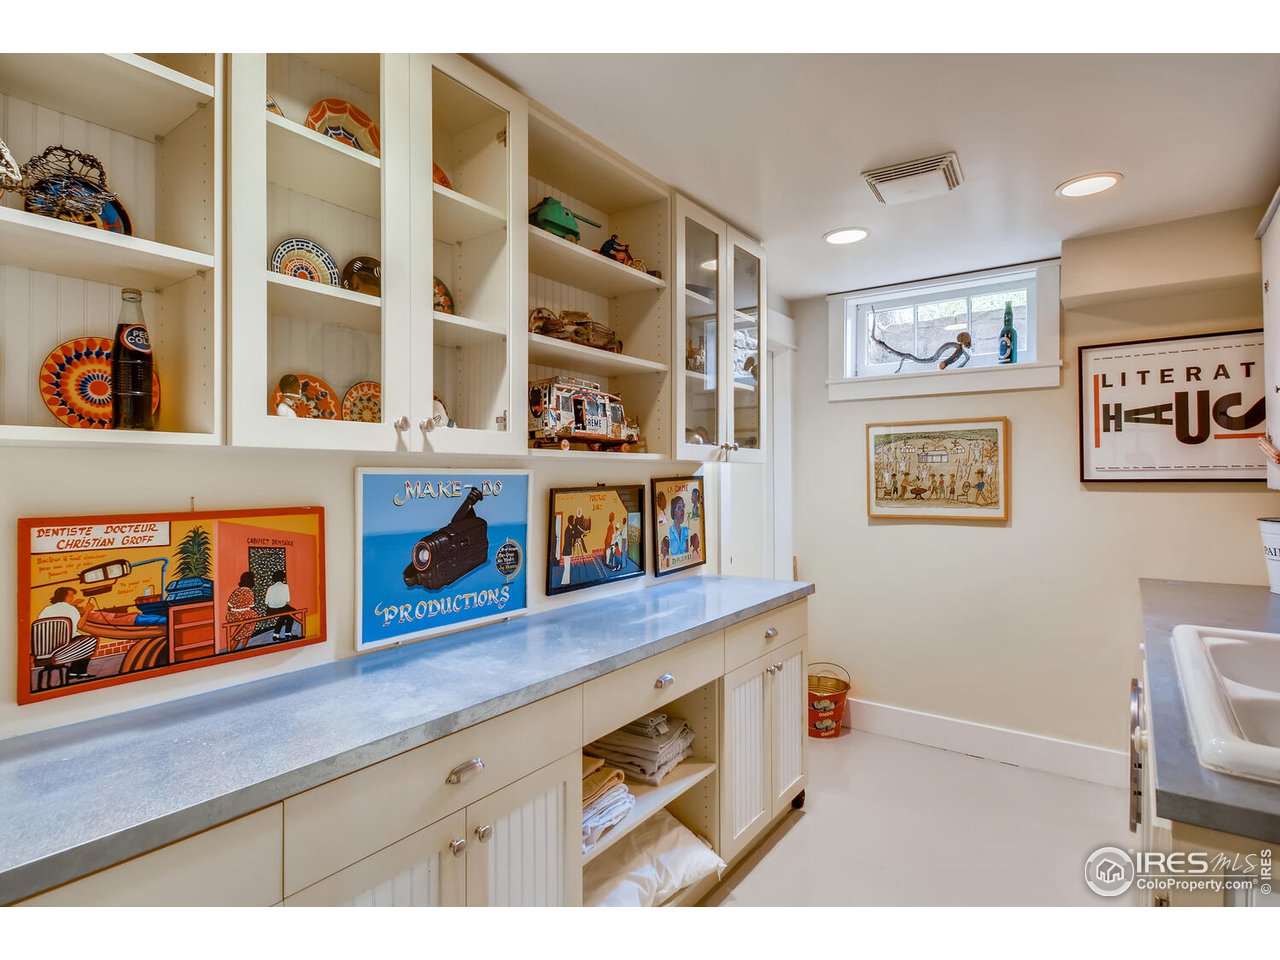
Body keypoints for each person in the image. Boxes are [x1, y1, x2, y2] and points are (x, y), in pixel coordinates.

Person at [36, 586, 98, 680]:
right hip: (62, 648)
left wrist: (73, 605)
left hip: (43, 650)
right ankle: (78, 671)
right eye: (71, 596)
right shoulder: (70, 609)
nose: (73, 598)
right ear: (64, 597)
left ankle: (74, 672)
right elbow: (80, 626)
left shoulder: (47, 609)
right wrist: (87, 611)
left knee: (79, 639)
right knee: (90, 640)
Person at [225, 571, 257, 651]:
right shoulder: (249, 592)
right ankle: (242, 647)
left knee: (243, 627)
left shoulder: (236, 591)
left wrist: (235, 610)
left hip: (232, 615)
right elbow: (251, 607)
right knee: (251, 622)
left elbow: (229, 606)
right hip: (245, 615)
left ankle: (235, 644)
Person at [265, 570, 297, 642]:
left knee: (285, 613)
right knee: (291, 611)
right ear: (283, 578)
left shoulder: (270, 588)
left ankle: (276, 634)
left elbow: (266, 601)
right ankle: (287, 633)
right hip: (281, 608)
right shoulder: (285, 586)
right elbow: (288, 599)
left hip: (270, 609)